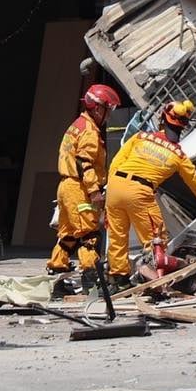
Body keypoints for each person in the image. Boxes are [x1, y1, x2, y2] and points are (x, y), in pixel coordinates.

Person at [104, 99, 196, 289]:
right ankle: (156, 283)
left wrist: (110, 190)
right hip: (140, 191)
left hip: (115, 186)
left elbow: (115, 163)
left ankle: (118, 281)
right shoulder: (178, 155)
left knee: (117, 238)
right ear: (184, 126)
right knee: (155, 240)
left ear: (163, 119)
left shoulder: (140, 137)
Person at [45, 83, 122, 298]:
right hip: (79, 188)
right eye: (108, 110)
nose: (108, 116)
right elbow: (84, 163)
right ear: (98, 108)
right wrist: (95, 191)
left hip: (66, 187)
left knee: (68, 236)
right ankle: (91, 282)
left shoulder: (77, 125)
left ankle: (57, 280)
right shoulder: (90, 132)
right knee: (89, 235)